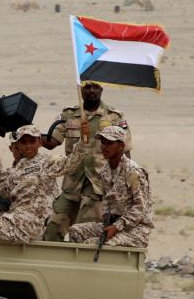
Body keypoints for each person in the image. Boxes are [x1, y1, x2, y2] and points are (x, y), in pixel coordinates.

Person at [0, 123, 90, 244]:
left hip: (30, 225)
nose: (28, 145)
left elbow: (70, 163)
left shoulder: (47, 163)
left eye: (32, 141)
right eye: (24, 142)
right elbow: (5, 191)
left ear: (39, 143)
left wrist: (83, 142)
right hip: (15, 220)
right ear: (18, 145)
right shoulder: (17, 169)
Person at [41, 82, 131, 241]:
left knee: (82, 234)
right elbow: (51, 142)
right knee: (52, 229)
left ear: (101, 90)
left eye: (95, 87)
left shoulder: (113, 117)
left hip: (98, 188)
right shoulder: (69, 115)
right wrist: (28, 133)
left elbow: (125, 153)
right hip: (71, 186)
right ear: (80, 90)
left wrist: (120, 187)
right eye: (87, 87)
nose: (91, 91)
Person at [68, 126, 153, 247]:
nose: (104, 146)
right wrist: (108, 221)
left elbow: (140, 208)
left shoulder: (133, 172)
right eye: (103, 142)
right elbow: (107, 202)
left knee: (91, 244)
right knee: (75, 231)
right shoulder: (105, 172)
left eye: (110, 143)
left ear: (121, 146)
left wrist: (116, 227)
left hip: (136, 230)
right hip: (113, 225)